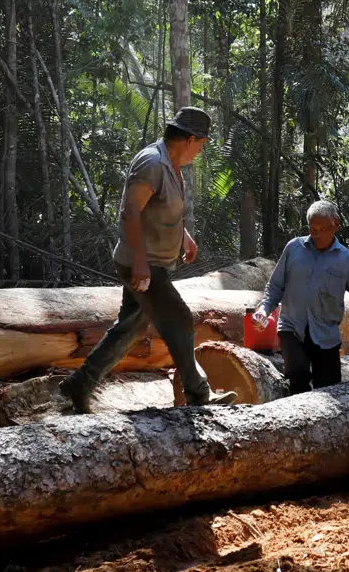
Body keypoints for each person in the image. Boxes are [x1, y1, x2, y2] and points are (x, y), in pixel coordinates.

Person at [59, 107, 238, 413]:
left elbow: (158, 209)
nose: (200, 151)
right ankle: (199, 394)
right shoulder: (152, 163)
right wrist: (140, 263)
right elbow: (130, 212)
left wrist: (184, 237)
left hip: (150, 263)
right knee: (179, 320)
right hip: (144, 265)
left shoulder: (170, 164)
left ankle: (80, 384)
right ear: (190, 139)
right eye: (201, 144)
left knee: (129, 329)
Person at [251, 200, 349, 394]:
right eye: (313, 229)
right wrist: (263, 310)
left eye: (323, 229)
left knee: (329, 391)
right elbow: (275, 286)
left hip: (326, 336)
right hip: (292, 329)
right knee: (297, 376)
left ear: (337, 225)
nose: (317, 234)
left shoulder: (347, 261)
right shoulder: (293, 249)